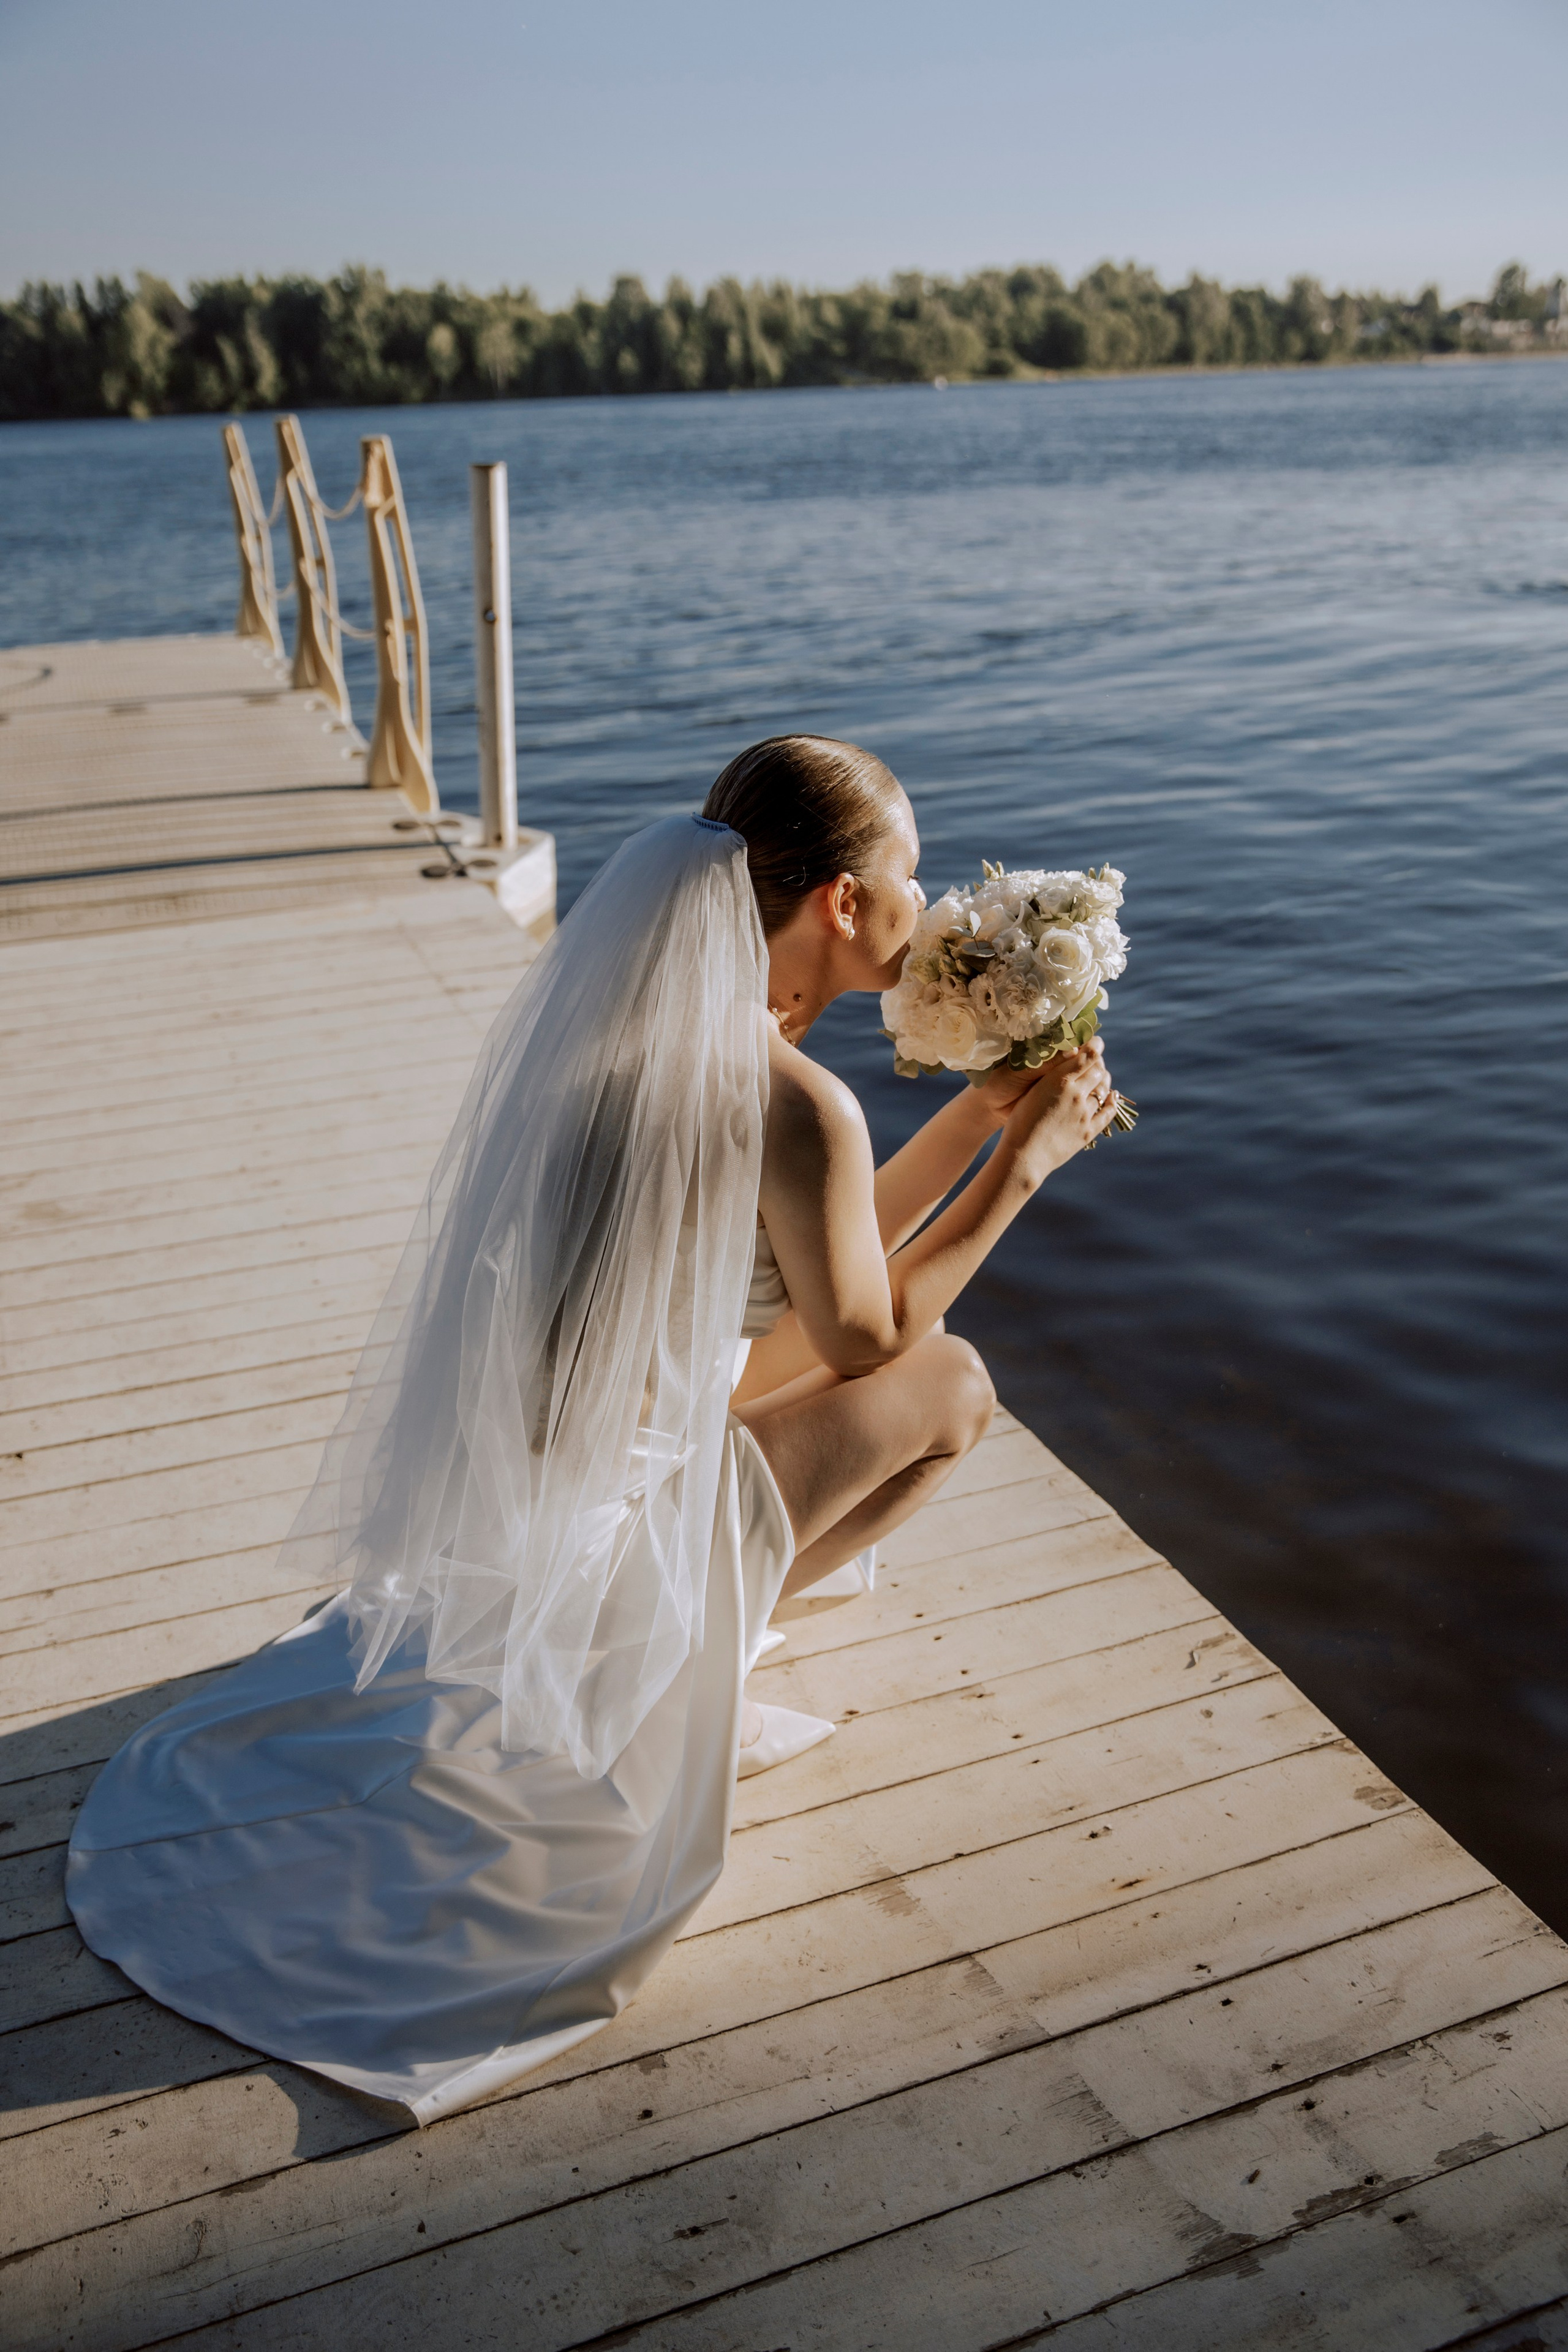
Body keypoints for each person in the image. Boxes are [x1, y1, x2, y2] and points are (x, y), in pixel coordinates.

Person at [66, 736, 1120, 2124]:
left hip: (558, 1496)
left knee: (885, 1369)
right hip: (632, 1527)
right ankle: (692, 1644)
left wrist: (980, 1124)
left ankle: (692, 1629)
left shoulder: (658, 1040)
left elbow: (816, 1264)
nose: (924, 905)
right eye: (908, 875)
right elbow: (869, 1335)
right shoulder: (798, 1096)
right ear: (842, 905)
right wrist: (1023, 1168)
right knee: (957, 1388)